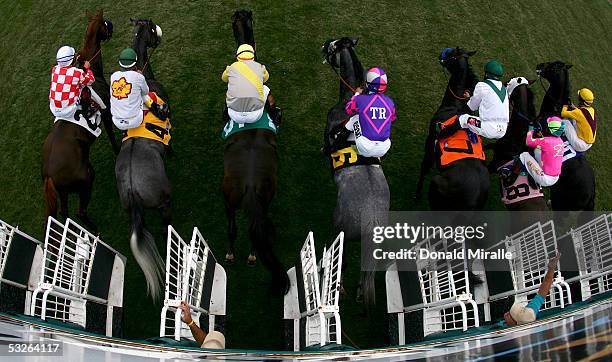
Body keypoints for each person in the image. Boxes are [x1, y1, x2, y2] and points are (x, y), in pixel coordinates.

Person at [437, 60, 509, 140]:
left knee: (463, 119)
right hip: (503, 130)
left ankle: (440, 136)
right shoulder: (504, 89)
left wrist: (468, 98)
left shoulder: (482, 85)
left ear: (486, 74)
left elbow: (471, 107)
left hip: (488, 128)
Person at [341, 67, 397, 158]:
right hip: (384, 148)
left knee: (354, 119)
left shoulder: (360, 99)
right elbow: (393, 119)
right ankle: (382, 156)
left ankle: (336, 145)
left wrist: (357, 94)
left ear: (368, 84)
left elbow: (348, 109)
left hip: (364, 147)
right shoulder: (390, 102)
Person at [110, 48, 167, 130]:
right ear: (134, 63)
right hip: (136, 121)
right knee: (144, 96)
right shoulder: (138, 77)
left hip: (117, 122)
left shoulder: (113, 76)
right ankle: (160, 113)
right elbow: (146, 91)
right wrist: (141, 76)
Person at [222, 44, 280, 125]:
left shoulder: (231, 67)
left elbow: (224, 79)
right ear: (253, 55)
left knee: (230, 88)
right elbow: (265, 79)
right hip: (255, 115)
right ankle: (274, 115)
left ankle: (225, 115)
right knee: (266, 88)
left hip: (234, 115)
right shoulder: (260, 67)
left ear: (237, 56)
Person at [504, 252, 561, 326]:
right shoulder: (528, 313)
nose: (506, 314)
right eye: (522, 310)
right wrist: (551, 268)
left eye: (509, 314)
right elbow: (544, 288)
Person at [511, 116, 565, 187]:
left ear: (550, 129)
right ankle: (534, 173)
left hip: (545, 179)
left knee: (524, 155)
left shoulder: (545, 141)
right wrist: (539, 133)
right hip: (555, 177)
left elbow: (528, 142)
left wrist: (531, 129)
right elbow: (543, 142)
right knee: (537, 150)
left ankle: (512, 176)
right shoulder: (561, 141)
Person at [49, 45, 95, 120]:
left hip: (53, 109)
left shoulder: (54, 69)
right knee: (83, 87)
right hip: (69, 111)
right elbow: (91, 80)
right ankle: (88, 111)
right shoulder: (77, 72)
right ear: (72, 59)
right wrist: (87, 69)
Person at [561, 88, 596, 152]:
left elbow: (563, 113)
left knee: (565, 122)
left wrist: (565, 105)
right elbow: (580, 114)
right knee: (575, 119)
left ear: (580, 99)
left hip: (580, 145)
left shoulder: (578, 112)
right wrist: (573, 107)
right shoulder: (592, 110)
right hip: (589, 144)